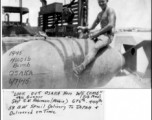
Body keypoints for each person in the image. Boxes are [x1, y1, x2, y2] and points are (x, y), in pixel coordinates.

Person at [73, 0, 116, 75]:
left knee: (95, 47)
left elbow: (110, 25)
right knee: (85, 37)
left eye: (103, 1)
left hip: (108, 36)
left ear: (107, 1)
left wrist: (97, 34)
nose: (101, 3)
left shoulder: (110, 10)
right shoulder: (100, 14)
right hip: (102, 34)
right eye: (99, 1)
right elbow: (92, 27)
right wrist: (84, 28)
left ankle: (81, 67)